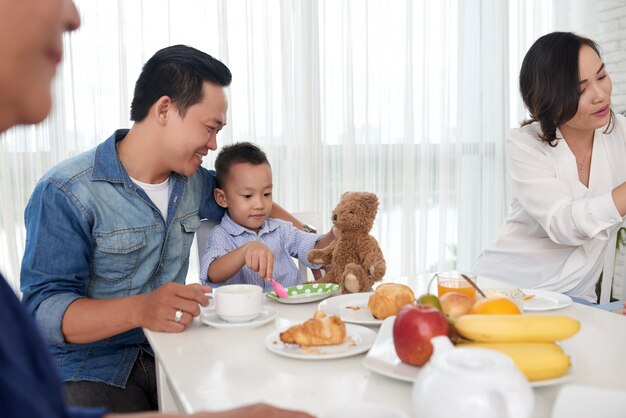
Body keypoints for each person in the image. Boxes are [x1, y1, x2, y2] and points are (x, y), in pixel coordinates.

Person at [11, 6, 309, 416]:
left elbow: (253, 200)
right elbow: (42, 311)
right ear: (165, 109)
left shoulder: (194, 183)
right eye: (210, 128)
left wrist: (314, 241)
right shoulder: (66, 191)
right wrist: (141, 308)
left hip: (178, 349)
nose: (214, 144)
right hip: (90, 370)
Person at [474, 32, 626, 305]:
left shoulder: (620, 133)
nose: (601, 95)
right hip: (507, 291)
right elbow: (564, 225)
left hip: (576, 301)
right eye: (581, 90)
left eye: (601, 77)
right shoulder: (524, 144)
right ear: (550, 100)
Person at [200, 142, 334, 290]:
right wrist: (245, 251)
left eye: (266, 194)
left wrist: (335, 233)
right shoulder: (222, 236)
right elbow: (213, 273)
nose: (259, 204)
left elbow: (315, 247)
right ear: (222, 198)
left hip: (289, 310)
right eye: (247, 196)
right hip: (248, 312)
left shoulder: (281, 229)